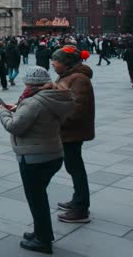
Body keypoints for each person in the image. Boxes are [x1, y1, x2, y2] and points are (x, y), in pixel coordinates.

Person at [0, 68, 76, 255]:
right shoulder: (55, 97)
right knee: (39, 196)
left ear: (31, 84)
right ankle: (40, 232)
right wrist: (19, 109)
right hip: (54, 153)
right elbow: (40, 117)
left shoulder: (33, 102)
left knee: (37, 199)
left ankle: (43, 240)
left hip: (34, 156)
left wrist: (4, 113)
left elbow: (15, 127)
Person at [51, 46, 95, 224]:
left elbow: (77, 109)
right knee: (73, 167)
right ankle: (77, 200)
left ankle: (81, 208)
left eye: (56, 60)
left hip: (72, 132)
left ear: (66, 63)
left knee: (76, 168)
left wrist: (55, 120)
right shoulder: (68, 75)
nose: (53, 63)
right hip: (67, 131)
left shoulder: (79, 79)